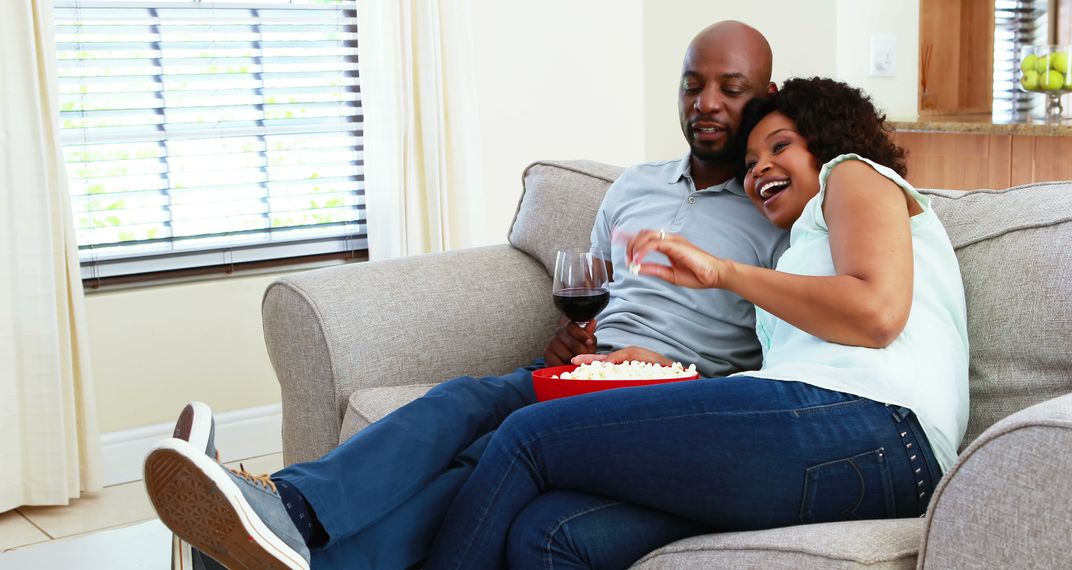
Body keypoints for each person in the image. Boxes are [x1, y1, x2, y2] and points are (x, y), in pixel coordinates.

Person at [146, 20, 787, 570]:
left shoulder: (778, 214)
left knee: (479, 432)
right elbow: (600, 288)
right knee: (462, 423)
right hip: (590, 367)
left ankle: (282, 513)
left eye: (731, 90)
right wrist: (579, 337)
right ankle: (272, 524)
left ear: (765, 97)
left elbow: (787, 349)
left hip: (675, 392)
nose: (706, 103)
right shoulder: (634, 187)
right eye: (692, 84)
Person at [417, 77, 969, 569]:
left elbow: (875, 316)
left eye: (780, 147)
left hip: (883, 426)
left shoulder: (852, 174)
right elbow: (777, 396)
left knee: (528, 434)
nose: (760, 171)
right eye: (751, 164)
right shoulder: (796, 254)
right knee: (554, 533)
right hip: (849, 454)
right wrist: (669, 374)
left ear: (826, 141)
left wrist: (724, 272)